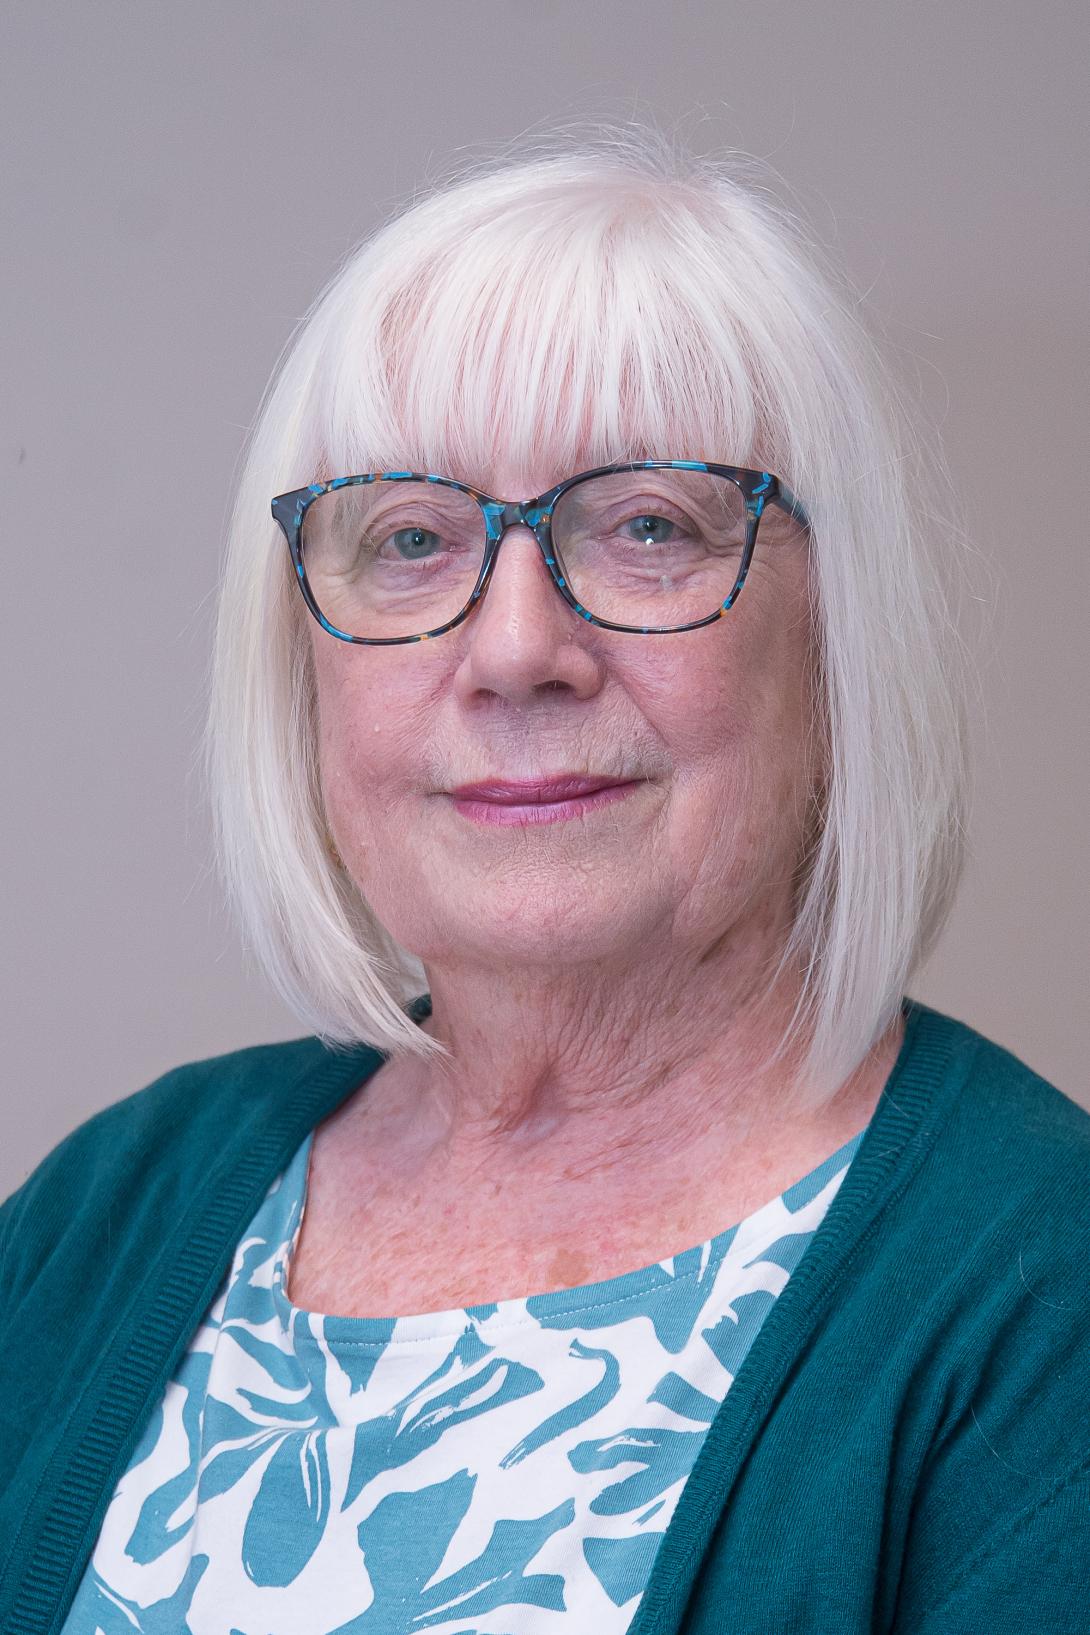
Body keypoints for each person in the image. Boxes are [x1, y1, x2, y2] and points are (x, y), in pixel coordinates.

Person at [2, 133, 1087, 1635]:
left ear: (838, 648)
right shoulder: (112, 1202)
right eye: (408, 538)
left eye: (649, 526)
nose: (515, 650)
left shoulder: (1040, 1295)